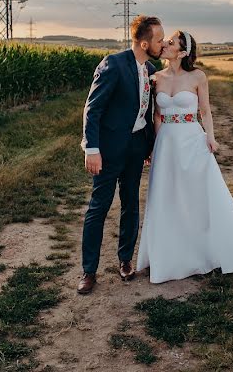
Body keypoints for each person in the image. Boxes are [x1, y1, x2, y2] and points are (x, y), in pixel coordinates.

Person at [135, 30, 233, 283]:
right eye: (166, 41)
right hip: (166, 143)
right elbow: (157, 116)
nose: (166, 45)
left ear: (182, 52)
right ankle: (167, 255)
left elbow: (205, 110)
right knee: (166, 196)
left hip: (191, 139)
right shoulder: (155, 77)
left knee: (195, 196)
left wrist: (210, 137)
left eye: (171, 42)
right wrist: (155, 146)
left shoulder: (197, 76)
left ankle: (201, 250)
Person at [78, 15, 165, 295]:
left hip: (136, 148)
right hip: (108, 150)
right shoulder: (113, 64)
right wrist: (92, 149)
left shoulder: (150, 68)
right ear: (144, 42)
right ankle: (88, 271)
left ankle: (125, 260)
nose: (162, 44)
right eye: (159, 40)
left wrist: (149, 146)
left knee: (131, 204)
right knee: (99, 207)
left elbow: (149, 111)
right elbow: (92, 109)